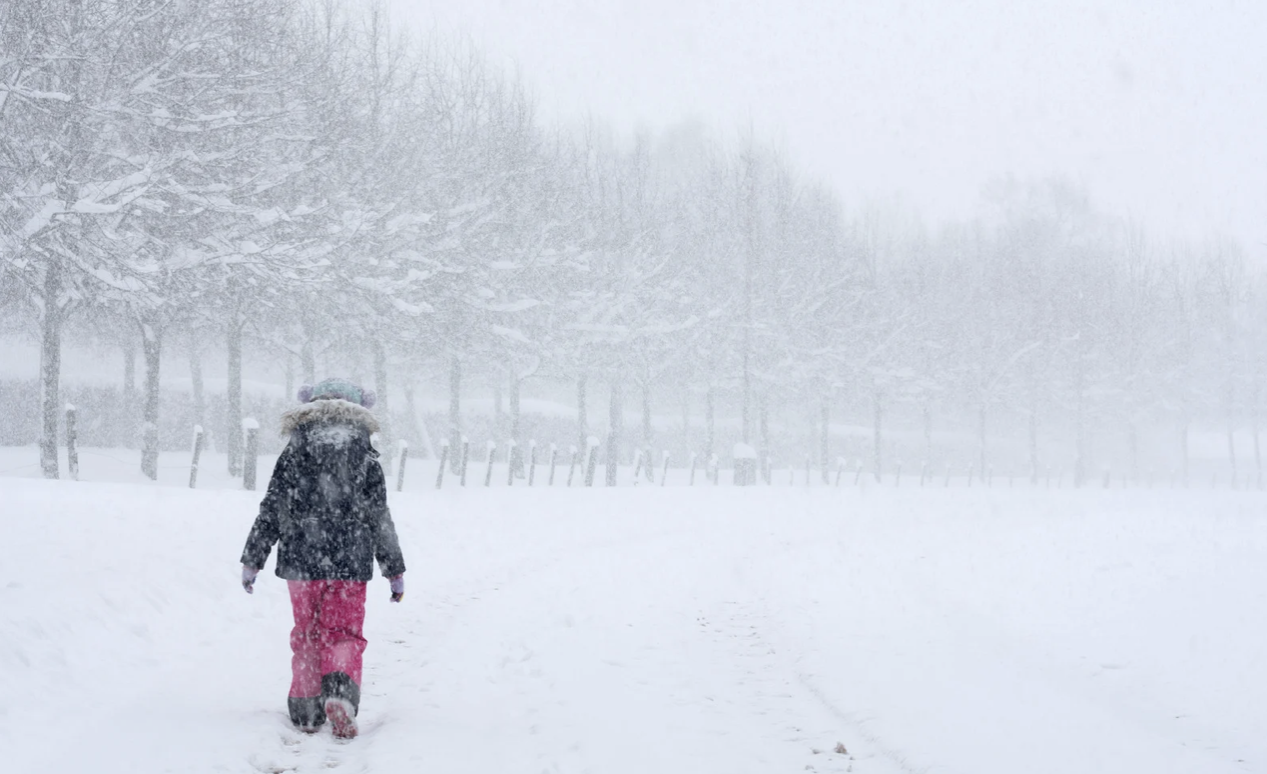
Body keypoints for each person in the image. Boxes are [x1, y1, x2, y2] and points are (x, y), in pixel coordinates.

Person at [239, 378, 407, 740]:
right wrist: (394, 570)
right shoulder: (365, 456)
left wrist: (253, 559)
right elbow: (379, 517)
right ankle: (341, 696)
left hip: (302, 559)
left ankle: (305, 706)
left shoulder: (294, 451)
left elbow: (272, 508)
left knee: (306, 633)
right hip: (350, 561)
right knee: (343, 633)